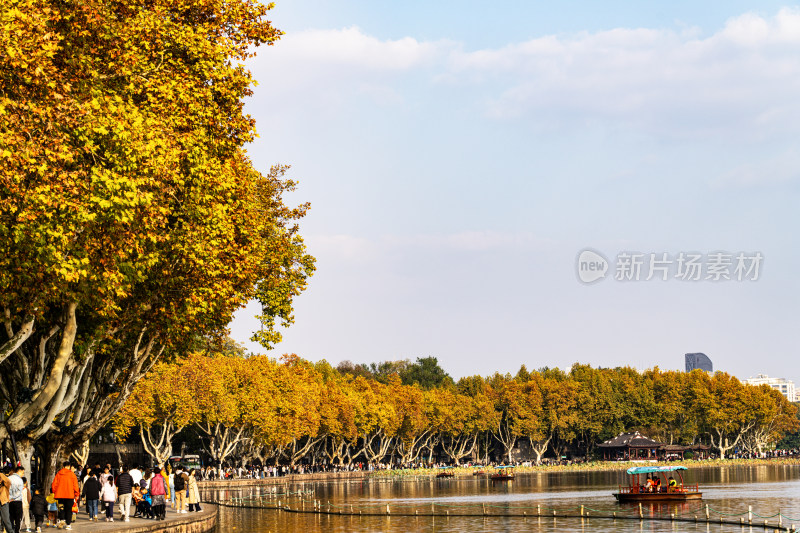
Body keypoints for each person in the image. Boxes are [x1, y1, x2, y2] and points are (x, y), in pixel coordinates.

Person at [50, 462, 79, 531]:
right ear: (69, 466)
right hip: (69, 495)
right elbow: (75, 485)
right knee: (69, 510)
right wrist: (77, 493)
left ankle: (62, 519)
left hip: (60, 495)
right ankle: (68, 525)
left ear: (63, 466)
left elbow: (54, 484)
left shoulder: (58, 474)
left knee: (61, 508)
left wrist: (54, 491)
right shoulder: (72, 474)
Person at [8, 467, 23, 533]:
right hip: (17, 500)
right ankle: (17, 531)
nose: (23, 474)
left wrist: (10, 498)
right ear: (19, 471)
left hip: (9, 501)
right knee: (18, 518)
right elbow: (19, 492)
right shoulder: (20, 480)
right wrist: (13, 497)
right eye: (22, 472)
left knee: (10, 516)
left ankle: (11, 530)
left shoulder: (8, 478)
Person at [0, 467, 13, 533]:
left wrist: (1, 474)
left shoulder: (5, 485)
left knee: (6, 520)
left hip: (3, 502)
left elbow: (8, 481)